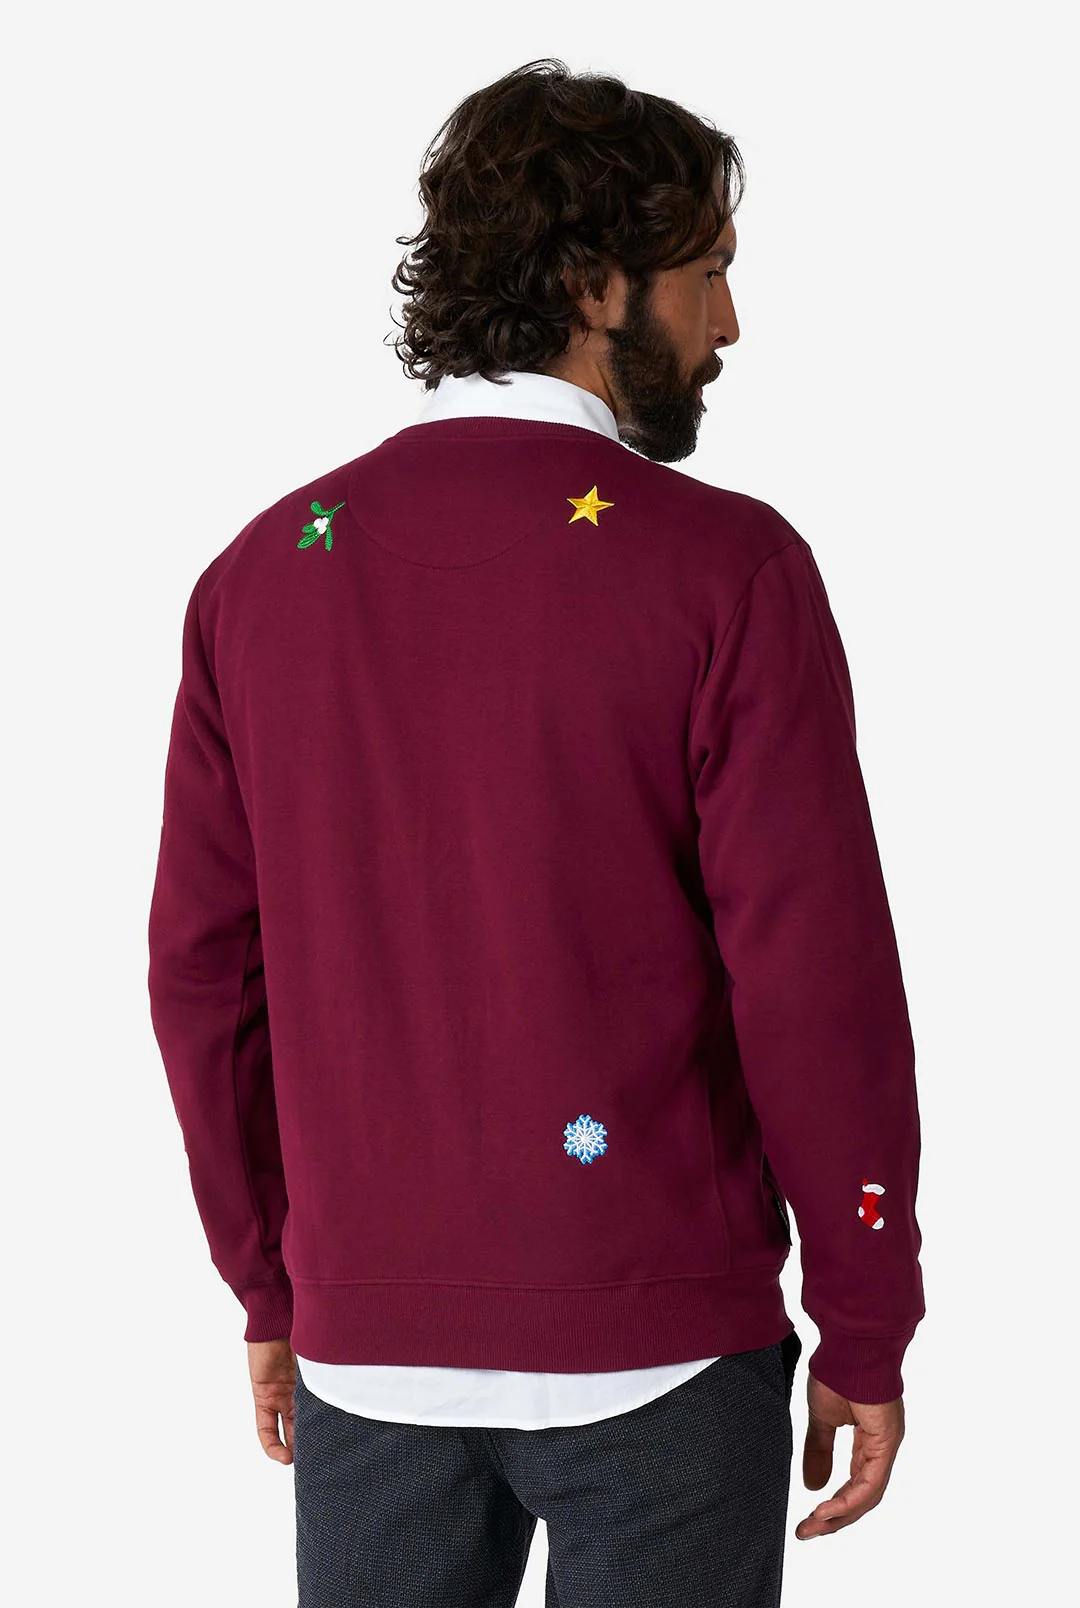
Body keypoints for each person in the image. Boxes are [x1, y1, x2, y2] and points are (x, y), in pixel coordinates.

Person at [148, 57, 925, 1608]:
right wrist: (866, 1309)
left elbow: (201, 980)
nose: (728, 324)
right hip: (665, 1351)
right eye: (706, 272)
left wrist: (272, 1280)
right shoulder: (726, 571)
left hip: (369, 1349)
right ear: (593, 283)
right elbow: (813, 987)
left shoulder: (263, 575)